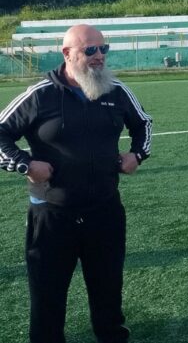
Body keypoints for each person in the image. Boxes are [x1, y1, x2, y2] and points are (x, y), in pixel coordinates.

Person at [0, 24, 152, 343]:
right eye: (90, 50)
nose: (99, 56)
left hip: (105, 213)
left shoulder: (116, 91)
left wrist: (137, 155)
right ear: (67, 53)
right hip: (52, 216)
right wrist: (25, 164)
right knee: (47, 299)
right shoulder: (40, 95)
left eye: (103, 49)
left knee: (108, 295)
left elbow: (143, 124)